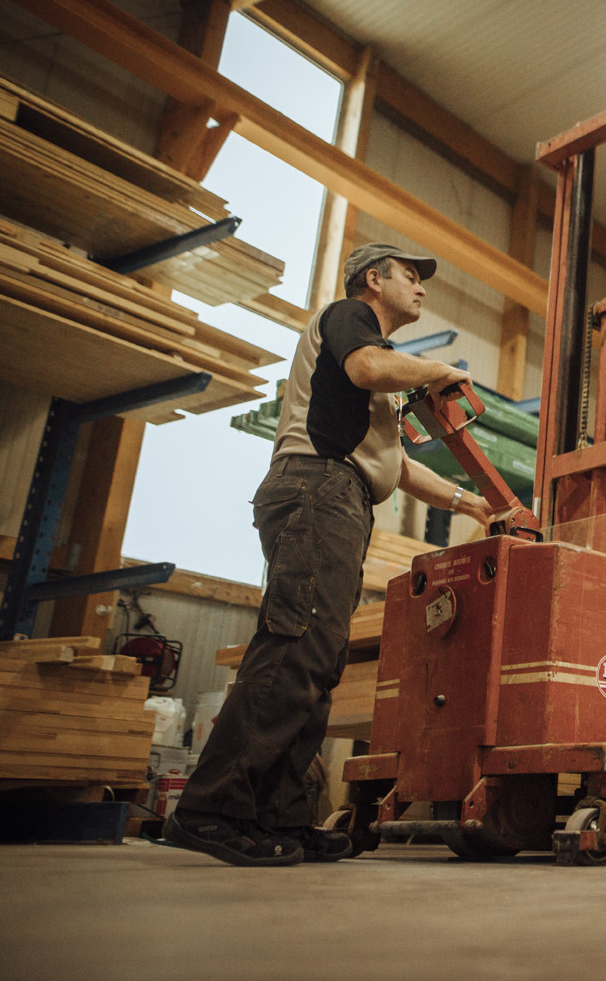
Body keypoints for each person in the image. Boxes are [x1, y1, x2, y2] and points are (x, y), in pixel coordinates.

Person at [167, 244, 499, 866]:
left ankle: (280, 817)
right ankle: (210, 809)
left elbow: (395, 464)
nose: (422, 289)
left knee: (318, 663)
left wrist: (471, 503)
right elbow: (367, 369)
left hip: (341, 494)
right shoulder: (352, 320)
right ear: (373, 280)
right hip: (319, 486)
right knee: (296, 648)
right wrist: (435, 371)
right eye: (409, 276)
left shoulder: (377, 365)